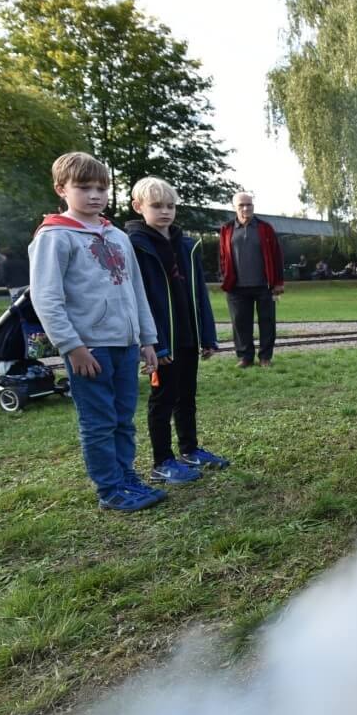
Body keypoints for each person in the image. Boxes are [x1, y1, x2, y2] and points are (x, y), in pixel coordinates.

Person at [28, 153, 161, 511]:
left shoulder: (116, 235)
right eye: (84, 187)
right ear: (61, 189)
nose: (95, 195)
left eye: (101, 187)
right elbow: (46, 297)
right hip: (90, 349)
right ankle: (110, 488)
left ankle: (126, 476)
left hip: (125, 345)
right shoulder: (55, 237)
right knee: (98, 421)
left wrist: (146, 340)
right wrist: (71, 345)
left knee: (123, 418)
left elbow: (136, 292)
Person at [126, 177, 230, 486]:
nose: (165, 212)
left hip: (187, 335)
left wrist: (208, 335)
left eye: (170, 206)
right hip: (160, 341)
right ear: (138, 207)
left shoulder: (187, 244)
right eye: (157, 206)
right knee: (163, 399)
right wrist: (152, 342)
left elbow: (199, 293)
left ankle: (190, 449)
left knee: (187, 396)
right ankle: (162, 461)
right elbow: (137, 298)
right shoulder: (134, 245)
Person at [219, 191, 283, 368]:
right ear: (234, 207)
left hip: (264, 285)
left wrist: (278, 282)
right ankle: (245, 357)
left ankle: (265, 357)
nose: (246, 208)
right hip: (236, 286)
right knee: (240, 323)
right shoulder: (226, 229)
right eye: (241, 205)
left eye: (249, 204)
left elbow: (277, 256)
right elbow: (223, 257)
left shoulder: (265, 228)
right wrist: (224, 276)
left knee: (267, 322)